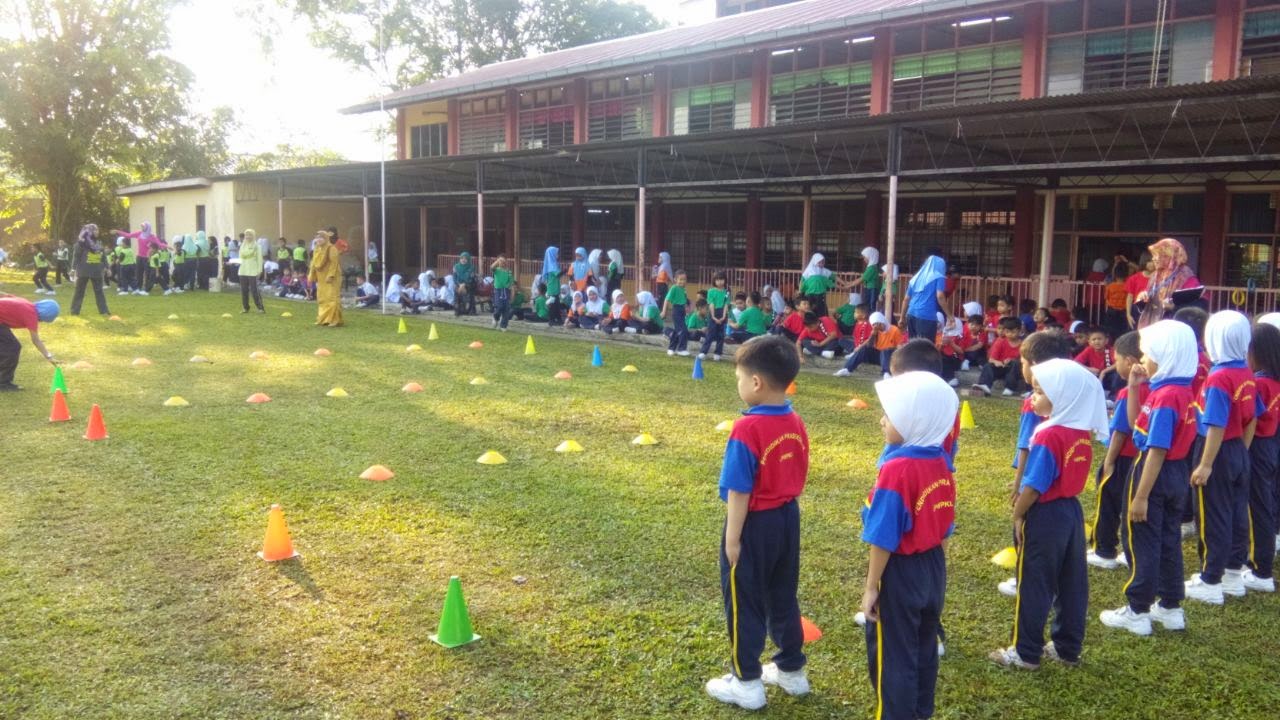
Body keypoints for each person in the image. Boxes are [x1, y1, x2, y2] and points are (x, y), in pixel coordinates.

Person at [704, 335, 809, 711]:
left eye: (738, 378)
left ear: (756, 382)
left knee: (744, 600)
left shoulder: (746, 429)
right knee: (782, 594)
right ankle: (792, 671)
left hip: (754, 524)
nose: (738, 384)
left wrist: (733, 539)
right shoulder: (795, 420)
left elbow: (739, 490)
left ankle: (746, 681)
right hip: (787, 519)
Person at [990, 358, 1105, 670]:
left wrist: (1018, 515)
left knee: (1034, 583)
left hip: (1045, 514)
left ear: (1062, 398)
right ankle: (1067, 648)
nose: (1032, 398)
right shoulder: (1080, 431)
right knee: (1072, 581)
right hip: (1071, 512)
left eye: (1040, 392)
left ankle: (1025, 652)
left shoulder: (1048, 435)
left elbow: (1033, 488)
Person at [861, 370, 956, 720]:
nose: (882, 420)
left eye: (890, 414)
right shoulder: (942, 462)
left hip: (900, 572)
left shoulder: (897, 468)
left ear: (914, 420)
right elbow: (945, 526)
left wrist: (872, 586)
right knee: (923, 647)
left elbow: (882, 537)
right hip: (932, 567)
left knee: (894, 656)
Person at [1098, 321, 1198, 635]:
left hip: (1154, 472)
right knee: (1168, 538)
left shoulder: (1166, 397)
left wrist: (1140, 496)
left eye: (1148, 354)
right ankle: (1170, 606)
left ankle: (1137, 610)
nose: (1143, 360)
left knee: (1141, 540)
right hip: (1176, 473)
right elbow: (1135, 424)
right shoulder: (1179, 390)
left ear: (1165, 355)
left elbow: (1157, 449)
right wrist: (1135, 386)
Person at [1186, 310, 1256, 604]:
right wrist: (1241, 450)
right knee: (1236, 512)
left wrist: (1206, 464)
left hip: (1215, 449)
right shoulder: (1246, 372)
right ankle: (1232, 573)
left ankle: (1210, 579)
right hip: (1237, 448)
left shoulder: (1218, 377)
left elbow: (1216, 424)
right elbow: (1252, 416)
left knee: (1212, 514)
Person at [1087, 331, 1143, 572]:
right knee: (1133, 505)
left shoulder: (1127, 392)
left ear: (1129, 362)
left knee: (1108, 503)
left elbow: (1120, 432)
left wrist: (1109, 461)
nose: (1116, 363)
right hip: (1143, 460)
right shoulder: (1158, 389)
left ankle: (1104, 550)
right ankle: (1132, 552)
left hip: (1122, 458)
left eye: (1117, 359)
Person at [1242, 322, 1280, 593]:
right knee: (1267, 500)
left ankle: (1260, 570)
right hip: (1272, 444)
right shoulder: (1273, 380)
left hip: (1258, 446)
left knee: (1258, 505)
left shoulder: (1258, 384)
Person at [1137, 239, 1201, 329]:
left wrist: (1174, 307)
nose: (1153, 259)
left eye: (1158, 255)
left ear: (1170, 256)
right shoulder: (1156, 275)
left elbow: (1195, 307)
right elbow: (1149, 299)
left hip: (1174, 327)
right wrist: (1142, 298)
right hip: (1153, 326)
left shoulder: (1186, 277)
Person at [0, 293, 59, 391]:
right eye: (42, 320)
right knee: (13, 347)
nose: (40, 321)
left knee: (7, 346)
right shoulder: (31, 314)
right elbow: (36, 340)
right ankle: (3, 383)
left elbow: (6, 296)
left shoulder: (27, 304)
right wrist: (49, 356)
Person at [835, 311, 901, 378]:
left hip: (890, 356)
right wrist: (873, 335)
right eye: (874, 324)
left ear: (882, 321)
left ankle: (886, 373)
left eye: (878, 323)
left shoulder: (894, 330)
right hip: (878, 356)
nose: (877, 326)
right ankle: (847, 369)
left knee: (885, 351)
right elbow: (869, 345)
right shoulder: (875, 331)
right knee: (864, 349)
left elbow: (899, 347)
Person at [972, 318, 1024, 397]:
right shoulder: (1000, 341)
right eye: (1007, 332)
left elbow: (1025, 360)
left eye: (1013, 332)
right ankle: (984, 385)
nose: (1010, 334)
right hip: (1001, 366)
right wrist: (997, 362)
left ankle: (1010, 388)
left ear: (1020, 331)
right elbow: (991, 359)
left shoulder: (1023, 344)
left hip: (1015, 369)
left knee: (1015, 364)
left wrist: (1012, 360)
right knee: (988, 366)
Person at [902, 254, 948, 340]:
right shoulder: (939, 277)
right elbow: (940, 296)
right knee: (926, 346)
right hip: (926, 316)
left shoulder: (915, 278)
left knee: (914, 344)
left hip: (911, 314)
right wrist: (950, 316)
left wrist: (902, 318)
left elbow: (906, 299)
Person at [69, 224, 110, 317]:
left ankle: (104, 311)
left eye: (97, 230)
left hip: (97, 271)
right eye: (95, 230)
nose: (97, 232)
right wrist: (73, 269)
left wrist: (107, 268)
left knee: (99, 291)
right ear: (89, 232)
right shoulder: (81, 244)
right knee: (79, 292)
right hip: (83, 271)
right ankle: (74, 311)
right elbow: (76, 257)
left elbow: (103, 257)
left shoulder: (99, 243)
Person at [308, 230, 343, 327]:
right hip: (321, 277)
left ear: (326, 239)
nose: (318, 239)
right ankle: (323, 319)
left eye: (321, 237)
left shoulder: (332, 248)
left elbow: (334, 263)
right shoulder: (317, 249)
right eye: (317, 237)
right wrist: (311, 275)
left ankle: (334, 320)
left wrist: (331, 275)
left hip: (332, 277)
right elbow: (313, 263)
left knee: (332, 297)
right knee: (322, 297)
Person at [700, 271, 730, 361]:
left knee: (721, 335)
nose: (719, 282)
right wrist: (713, 317)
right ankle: (703, 352)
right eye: (717, 280)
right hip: (713, 312)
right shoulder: (711, 291)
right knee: (710, 333)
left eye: (721, 279)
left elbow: (726, 305)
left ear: (725, 280)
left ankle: (718, 353)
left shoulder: (727, 292)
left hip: (722, 313)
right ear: (714, 281)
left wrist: (724, 316)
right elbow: (711, 304)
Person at [798, 253, 836, 317]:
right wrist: (800, 292)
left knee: (821, 313)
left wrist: (845, 284)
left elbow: (834, 277)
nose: (822, 264)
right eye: (820, 262)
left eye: (823, 262)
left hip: (820, 296)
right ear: (815, 261)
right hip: (810, 296)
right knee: (810, 312)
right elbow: (802, 281)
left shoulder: (823, 271)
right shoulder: (809, 270)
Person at [663, 270, 690, 356]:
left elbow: (684, 301)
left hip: (682, 311)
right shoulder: (674, 288)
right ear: (675, 279)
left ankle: (671, 348)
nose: (683, 281)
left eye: (684, 279)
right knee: (683, 330)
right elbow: (667, 299)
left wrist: (686, 309)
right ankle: (681, 349)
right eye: (680, 279)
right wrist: (664, 311)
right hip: (676, 310)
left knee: (678, 331)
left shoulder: (683, 289)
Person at [237, 229, 265, 314]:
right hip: (243, 270)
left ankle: (260, 308)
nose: (248, 237)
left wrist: (259, 270)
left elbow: (260, 259)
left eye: (250, 235)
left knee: (254, 290)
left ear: (253, 236)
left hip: (253, 271)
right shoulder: (242, 246)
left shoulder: (257, 246)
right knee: (244, 290)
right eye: (246, 235)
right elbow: (240, 258)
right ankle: (245, 308)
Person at [850, 247, 883, 313]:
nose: (864, 259)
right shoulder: (870, 267)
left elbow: (861, 279)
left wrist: (849, 285)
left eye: (865, 257)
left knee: (870, 306)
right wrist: (849, 283)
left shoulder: (872, 268)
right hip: (869, 288)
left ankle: (869, 317)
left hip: (872, 289)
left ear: (871, 256)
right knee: (867, 305)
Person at [1126, 253, 1155, 329]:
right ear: (1143, 262)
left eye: (1154, 261)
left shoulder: (1160, 278)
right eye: (1149, 261)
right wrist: (1128, 314)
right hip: (1137, 310)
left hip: (1154, 310)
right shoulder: (1134, 278)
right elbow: (1130, 297)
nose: (1152, 264)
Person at [539, 247, 562, 327]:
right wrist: (565, 270)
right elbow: (558, 274)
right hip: (553, 289)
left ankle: (558, 319)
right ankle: (551, 320)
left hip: (554, 288)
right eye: (556, 253)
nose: (558, 255)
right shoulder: (552, 265)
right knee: (553, 306)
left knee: (556, 305)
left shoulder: (551, 263)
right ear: (552, 254)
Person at [491, 255, 514, 330]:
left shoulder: (509, 271)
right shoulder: (496, 270)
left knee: (506, 308)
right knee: (499, 306)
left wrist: (510, 290)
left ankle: (503, 326)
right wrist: (497, 261)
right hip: (498, 290)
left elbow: (511, 281)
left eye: (503, 261)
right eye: (500, 261)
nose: (502, 263)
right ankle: (495, 317)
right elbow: (492, 267)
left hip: (506, 290)